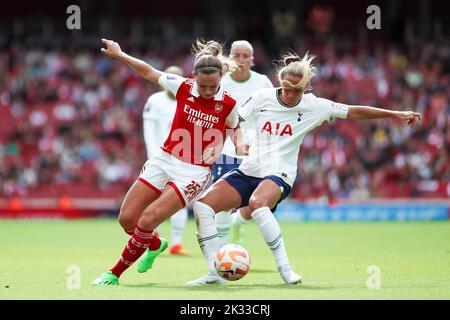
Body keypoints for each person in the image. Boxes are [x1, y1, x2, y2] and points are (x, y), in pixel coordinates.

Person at [187, 51, 421, 286]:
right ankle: (214, 273)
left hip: (279, 174)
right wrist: (230, 141)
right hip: (249, 169)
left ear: (306, 87)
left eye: (296, 91)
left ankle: (286, 269)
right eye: (286, 89)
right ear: (280, 82)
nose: (289, 95)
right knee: (203, 206)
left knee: (258, 204)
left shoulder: (315, 106)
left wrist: (395, 114)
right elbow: (234, 120)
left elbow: (354, 111)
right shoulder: (261, 98)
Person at [92, 38, 242, 286]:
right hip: (164, 159)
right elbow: (148, 71)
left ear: (220, 79)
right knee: (127, 219)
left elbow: (234, 127)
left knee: (148, 219)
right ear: (193, 77)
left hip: (193, 172)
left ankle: (114, 273)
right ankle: (154, 244)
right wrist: (120, 54)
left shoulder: (228, 103)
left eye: (213, 86)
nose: (207, 91)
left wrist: (225, 145)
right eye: (203, 85)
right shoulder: (182, 86)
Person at [213, 40, 273, 247]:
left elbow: (271, 113)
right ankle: (221, 256)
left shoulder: (263, 82)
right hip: (226, 150)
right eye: (236, 55)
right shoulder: (221, 82)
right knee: (221, 204)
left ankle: (237, 222)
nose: (240, 60)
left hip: (255, 151)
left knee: (255, 204)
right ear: (230, 58)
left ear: (252, 59)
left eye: (245, 55)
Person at [142, 65, 191, 255]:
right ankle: (153, 239)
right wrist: (153, 158)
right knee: (153, 200)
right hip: (159, 159)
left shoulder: (188, 101)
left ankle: (176, 244)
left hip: (182, 160)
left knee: (178, 200)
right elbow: (149, 133)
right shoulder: (154, 101)